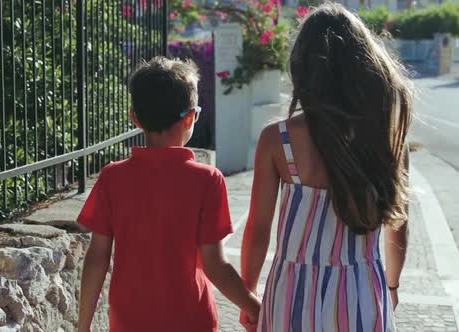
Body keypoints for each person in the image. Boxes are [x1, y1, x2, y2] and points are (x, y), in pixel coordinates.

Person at [240, 3, 413, 331]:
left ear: (303, 67)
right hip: (362, 291)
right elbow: (398, 226)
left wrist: (248, 292)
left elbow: (258, 229)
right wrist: (392, 285)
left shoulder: (278, 141)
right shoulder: (386, 138)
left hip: (290, 297)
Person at [77, 57, 260, 332]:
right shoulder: (207, 180)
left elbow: (96, 258)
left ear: (135, 117)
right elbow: (215, 265)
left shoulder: (112, 178)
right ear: (191, 117)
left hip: (129, 323)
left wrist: (83, 326)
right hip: (192, 322)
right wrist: (255, 307)